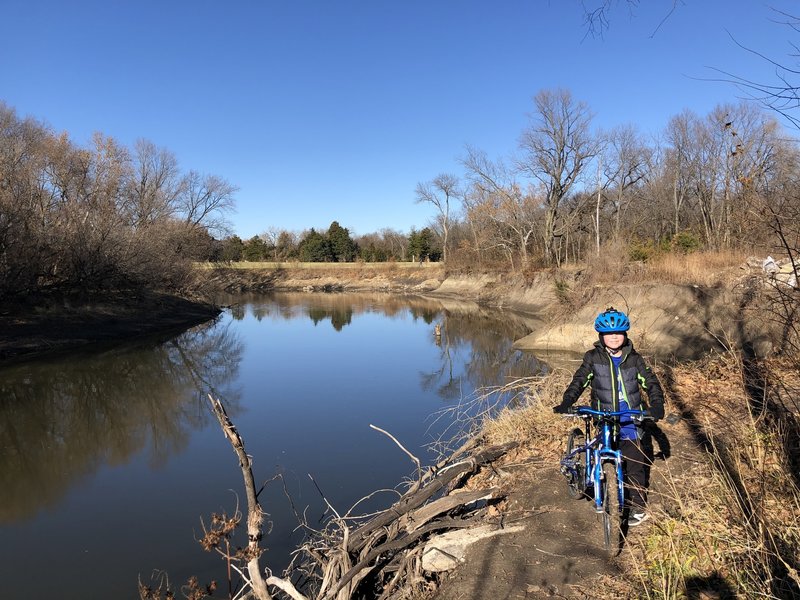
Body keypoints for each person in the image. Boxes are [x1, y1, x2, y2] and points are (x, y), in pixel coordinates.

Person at [553, 307, 665, 527]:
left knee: (634, 461)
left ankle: (638, 508)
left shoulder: (634, 359)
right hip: (603, 413)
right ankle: (602, 485)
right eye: (609, 333)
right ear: (601, 336)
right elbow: (580, 380)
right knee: (602, 451)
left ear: (625, 334)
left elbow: (650, 382)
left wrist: (657, 405)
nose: (614, 337)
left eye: (619, 332)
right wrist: (568, 401)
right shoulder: (593, 358)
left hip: (630, 415)